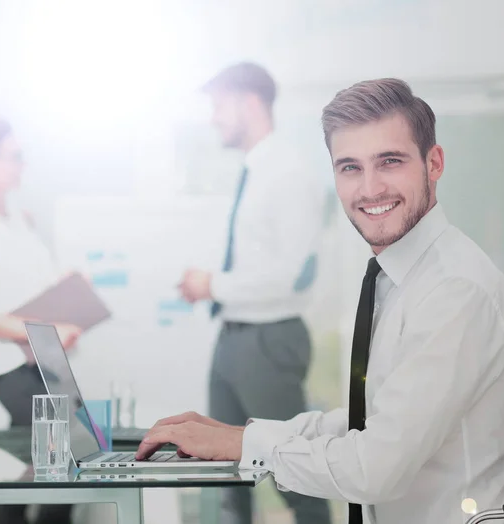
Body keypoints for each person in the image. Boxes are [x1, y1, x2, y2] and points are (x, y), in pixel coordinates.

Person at [137, 78, 504, 523]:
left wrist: (241, 446)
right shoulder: (400, 278)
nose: (369, 189)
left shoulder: (456, 291)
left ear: (434, 163)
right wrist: (240, 435)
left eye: (389, 162)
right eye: (350, 167)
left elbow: (374, 468)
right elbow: (367, 421)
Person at [177, 62, 331, 524]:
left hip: (268, 340)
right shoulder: (253, 172)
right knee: (223, 477)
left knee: (293, 477)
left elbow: (287, 276)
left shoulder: (288, 173)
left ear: (250, 103)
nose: (213, 117)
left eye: (219, 105)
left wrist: (213, 285)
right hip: (233, 339)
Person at [0, 118, 81, 524]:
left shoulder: (23, 220)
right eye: (13, 157)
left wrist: (69, 291)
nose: (21, 164)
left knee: (54, 470)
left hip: (45, 360)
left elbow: (35, 293)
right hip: (13, 365)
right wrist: (39, 332)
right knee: (54, 465)